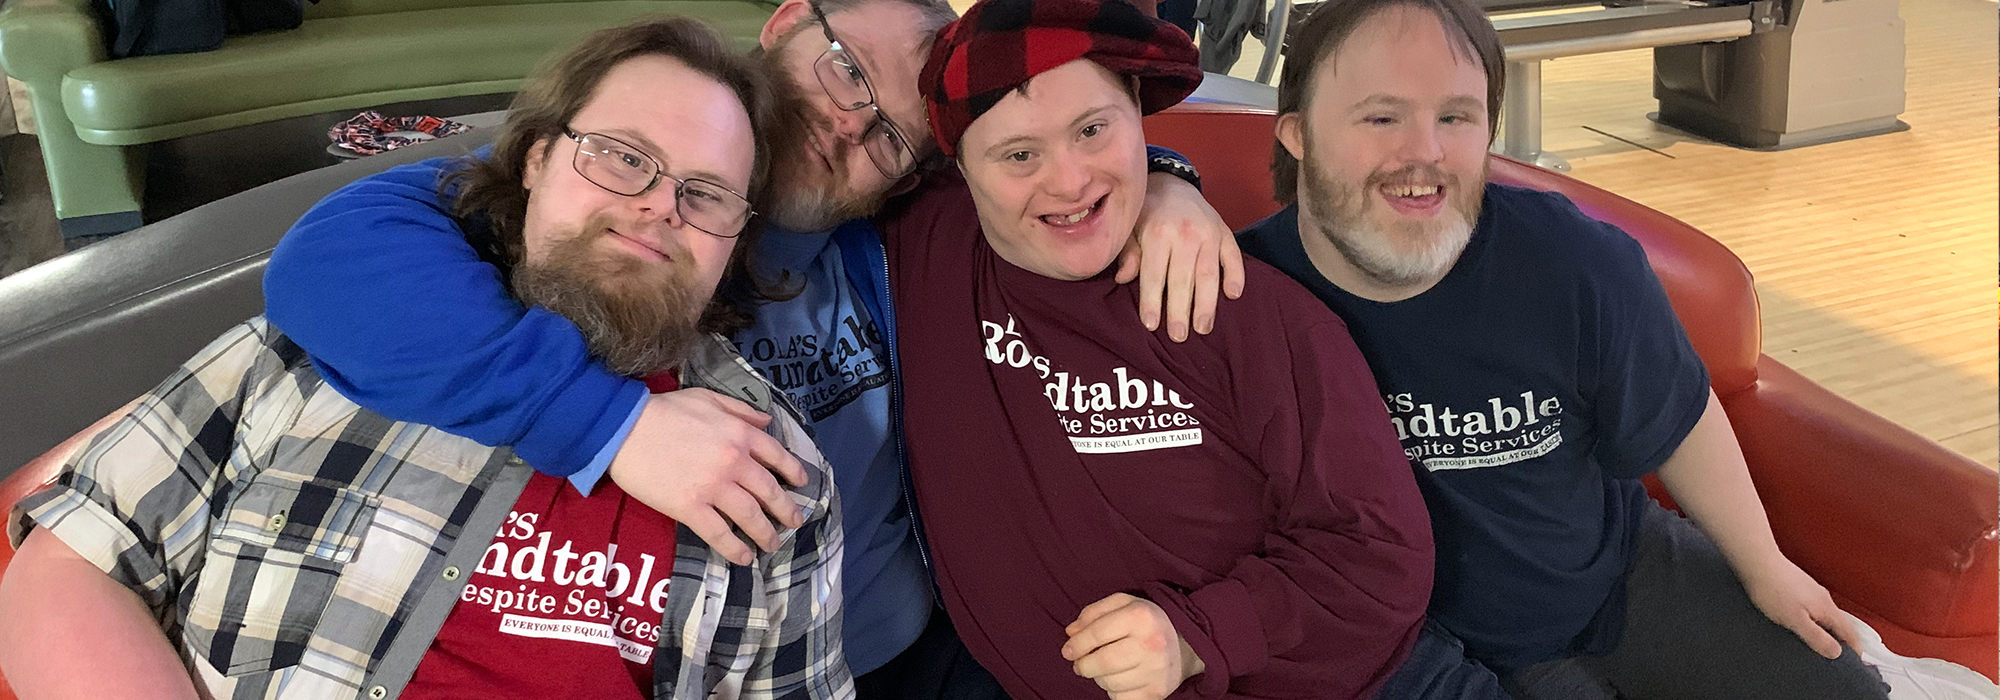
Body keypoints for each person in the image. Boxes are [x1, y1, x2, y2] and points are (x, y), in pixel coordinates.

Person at [251, 0, 1248, 694]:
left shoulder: (891, 227)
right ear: (784, 24)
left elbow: (1038, 168)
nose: (847, 126)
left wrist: (1162, 179)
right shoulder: (615, 202)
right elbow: (335, 255)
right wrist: (610, 424)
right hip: (707, 658)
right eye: (845, 69)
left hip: (929, 649)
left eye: (890, 136)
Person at [0, 17, 850, 700]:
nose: (660, 206)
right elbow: (71, 564)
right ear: (537, 160)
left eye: (705, 194)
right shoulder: (337, 332)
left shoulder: (772, 470)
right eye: (623, 158)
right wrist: (612, 428)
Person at [1234, 0, 1894, 697]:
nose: (1425, 151)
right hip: (1428, 645)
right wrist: (1171, 187)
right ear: (1299, 134)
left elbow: (1676, 412)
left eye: (1456, 117)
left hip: (1616, 575)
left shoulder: (1572, 260)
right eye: (1381, 118)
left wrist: (1765, 566)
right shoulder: (1239, 303)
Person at [878, 0, 1438, 697]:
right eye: (1019, 155)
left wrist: (1198, 636)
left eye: (1093, 130)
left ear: (1138, 116)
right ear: (958, 169)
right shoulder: (922, 248)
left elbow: (1382, 557)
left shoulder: (1244, 306)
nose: (1070, 182)